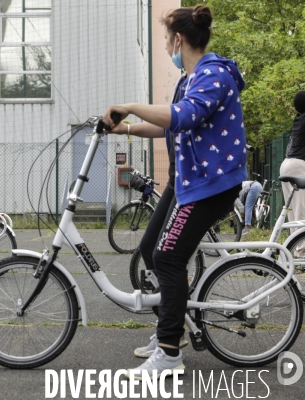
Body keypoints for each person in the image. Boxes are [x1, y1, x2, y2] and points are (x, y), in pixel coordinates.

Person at [102, 4, 247, 379]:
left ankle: (168, 351)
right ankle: (173, 329)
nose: (167, 47)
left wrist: (130, 105)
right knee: (152, 250)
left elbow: (183, 116)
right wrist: (129, 129)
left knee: (168, 257)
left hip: (209, 186)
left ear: (178, 39)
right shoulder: (190, 79)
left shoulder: (213, 75)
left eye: (168, 39)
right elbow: (172, 126)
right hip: (186, 181)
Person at [280, 90, 305, 257]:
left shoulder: (299, 119)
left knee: (293, 212)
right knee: (301, 210)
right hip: (299, 165)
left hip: (287, 164)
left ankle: (296, 251)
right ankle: (302, 253)